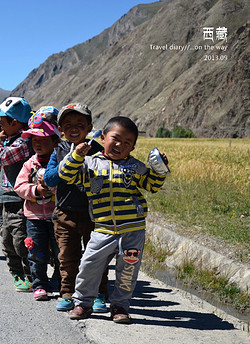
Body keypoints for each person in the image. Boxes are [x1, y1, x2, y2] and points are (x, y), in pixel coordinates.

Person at [59, 116, 169, 323]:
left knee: (128, 269)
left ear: (133, 148)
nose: (120, 145)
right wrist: (75, 156)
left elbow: (152, 185)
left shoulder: (135, 167)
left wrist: (160, 169)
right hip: (102, 228)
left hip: (133, 230)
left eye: (128, 142)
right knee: (89, 265)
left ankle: (120, 306)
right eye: (116, 138)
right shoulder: (89, 164)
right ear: (103, 137)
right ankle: (82, 303)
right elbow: (65, 175)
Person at [43, 103, 109, 312]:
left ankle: (98, 294)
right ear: (60, 130)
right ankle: (68, 294)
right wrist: (72, 160)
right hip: (65, 214)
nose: (74, 128)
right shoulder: (59, 150)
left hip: (94, 215)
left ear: (89, 127)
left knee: (97, 257)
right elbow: (50, 178)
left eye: (80, 124)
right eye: (68, 124)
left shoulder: (99, 150)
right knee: (67, 258)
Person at [14, 108, 61, 301]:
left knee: (60, 251)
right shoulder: (29, 164)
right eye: (34, 141)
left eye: (43, 140)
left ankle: (59, 280)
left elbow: (67, 185)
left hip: (57, 216)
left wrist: (52, 190)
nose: (38, 144)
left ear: (55, 142)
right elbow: (19, 186)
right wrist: (35, 191)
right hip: (34, 217)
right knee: (36, 251)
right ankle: (39, 284)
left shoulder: (61, 164)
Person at [0, 97, 34, 292]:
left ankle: (30, 274)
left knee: (19, 238)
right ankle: (16, 273)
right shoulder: (12, 139)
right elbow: (7, 173)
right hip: (7, 197)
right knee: (6, 238)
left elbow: (3, 157)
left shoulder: (24, 141)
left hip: (18, 199)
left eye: (2, 121)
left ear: (14, 122)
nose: (0, 125)